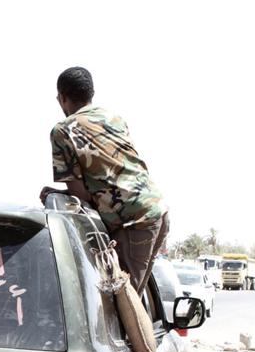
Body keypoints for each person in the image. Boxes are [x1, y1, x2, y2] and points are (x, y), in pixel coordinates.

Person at [41, 66, 169, 293]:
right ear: (90, 93)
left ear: (62, 98)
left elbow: (80, 195)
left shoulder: (63, 131)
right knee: (133, 301)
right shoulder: (114, 118)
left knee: (120, 309)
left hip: (133, 224)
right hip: (156, 212)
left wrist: (55, 194)